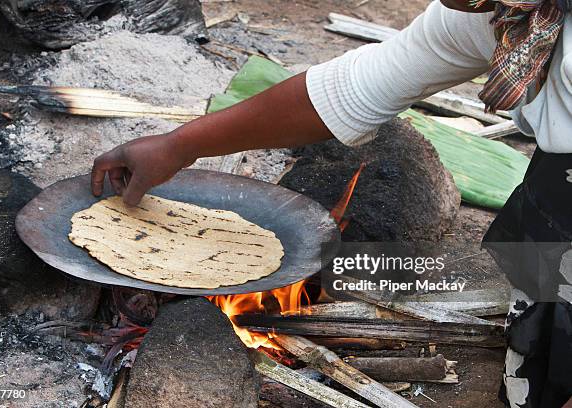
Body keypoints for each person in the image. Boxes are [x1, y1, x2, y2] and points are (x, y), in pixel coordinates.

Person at [91, 1, 572, 406]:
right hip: (553, 203)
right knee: (539, 354)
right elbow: (357, 87)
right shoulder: (514, 13)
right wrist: (179, 146)